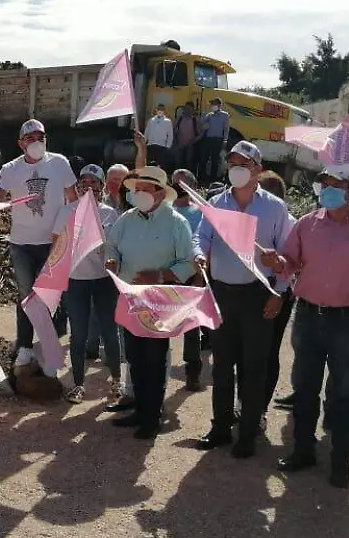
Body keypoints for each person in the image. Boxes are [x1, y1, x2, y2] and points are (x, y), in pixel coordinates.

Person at [269, 166, 349, 488]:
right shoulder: (307, 223)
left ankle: (341, 460)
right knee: (305, 387)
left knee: (344, 391)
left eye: (335, 184)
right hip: (308, 316)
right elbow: (290, 261)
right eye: (324, 183)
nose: (327, 189)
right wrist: (278, 262)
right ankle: (303, 449)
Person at [193, 141, 293, 459]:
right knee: (222, 366)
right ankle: (221, 427)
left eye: (244, 163)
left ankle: (247, 432)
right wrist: (199, 253)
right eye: (232, 162)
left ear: (258, 170)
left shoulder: (275, 208)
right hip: (222, 293)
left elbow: (288, 255)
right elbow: (202, 236)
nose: (236, 168)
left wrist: (278, 290)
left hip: (257, 296)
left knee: (254, 367)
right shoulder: (217, 203)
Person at [105, 166, 199, 439]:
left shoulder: (176, 223)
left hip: (159, 299)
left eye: (144, 189)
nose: (138, 194)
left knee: (154, 358)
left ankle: (152, 416)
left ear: (159, 193)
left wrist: (159, 275)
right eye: (136, 190)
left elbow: (188, 263)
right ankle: (140, 408)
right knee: (135, 355)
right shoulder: (126, 219)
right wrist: (112, 260)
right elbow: (112, 246)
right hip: (131, 296)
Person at [0, 120, 77, 371]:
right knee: (26, 296)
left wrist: (64, 231)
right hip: (22, 244)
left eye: (41, 137)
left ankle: (49, 347)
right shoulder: (11, 169)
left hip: (52, 243)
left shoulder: (59, 163)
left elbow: (73, 199)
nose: (37, 142)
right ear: (21, 143)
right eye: (30, 138)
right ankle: (25, 347)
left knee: (50, 297)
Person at [56, 165, 121, 404]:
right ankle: (78, 384)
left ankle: (117, 381)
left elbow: (116, 247)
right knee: (79, 334)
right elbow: (56, 244)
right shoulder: (67, 211)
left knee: (110, 332)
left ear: (102, 186)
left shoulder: (110, 214)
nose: (88, 186)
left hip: (104, 281)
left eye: (94, 182)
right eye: (84, 181)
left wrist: (111, 258)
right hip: (76, 281)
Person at [254, 171, 298, 414]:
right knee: (249, 351)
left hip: (277, 292)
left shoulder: (290, 223)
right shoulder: (251, 217)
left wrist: (279, 292)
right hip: (251, 289)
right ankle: (246, 405)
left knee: (268, 351)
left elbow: (290, 264)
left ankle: (259, 409)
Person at [169, 168, 209, 393]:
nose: (177, 188)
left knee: (191, 327)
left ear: (192, 187)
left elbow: (203, 245)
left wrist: (199, 277)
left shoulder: (202, 213)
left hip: (191, 276)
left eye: (182, 185)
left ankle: (192, 371)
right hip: (167, 275)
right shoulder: (165, 210)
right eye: (174, 184)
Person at [197, 98, 230, 182]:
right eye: (212, 104)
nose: (212, 106)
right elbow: (201, 122)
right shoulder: (209, 115)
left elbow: (226, 129)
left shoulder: (225, 115)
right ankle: (201, 177)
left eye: (214, 104)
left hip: (217, 140)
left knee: (215, 160)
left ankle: (212, 179)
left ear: (219, 105)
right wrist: (204, 120)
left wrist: (225, 140)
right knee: (204, 158)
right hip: (208, 139)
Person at [170, 102, 200, 171]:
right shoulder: (179, 119)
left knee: (189, 163)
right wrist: (175, 141)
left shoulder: (195, 120)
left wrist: (195, 140)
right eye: (186, 108)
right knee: (178, 162)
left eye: (190, 108)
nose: (188, 110)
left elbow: (201, 133)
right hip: (179, 144)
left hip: (190, 145)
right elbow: (173, 129)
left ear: (193, 110)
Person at [144, 105, 173, 170]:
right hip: (151, 145)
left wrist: (168, 146)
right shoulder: (151, 120)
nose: (160, 111)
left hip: (162, 147)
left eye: (162, 109)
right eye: (159, 109)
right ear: (156, 110)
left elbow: (170, 135)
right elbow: (146, 132)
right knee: (150, 165)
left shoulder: (168, 121)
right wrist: (144, 143)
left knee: (160, 166)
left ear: (164, 111)